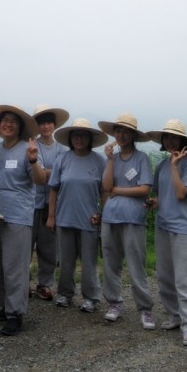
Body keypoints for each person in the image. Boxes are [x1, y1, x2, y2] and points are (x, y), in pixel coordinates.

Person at [0, 104, 47, 336]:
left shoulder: (27, 149)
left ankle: (15, 314)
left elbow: (40, 180)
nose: (8, 124)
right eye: (5, 120)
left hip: (18, 216)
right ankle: (5, 306)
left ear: (20, 127)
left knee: (15, 267)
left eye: (13, 121)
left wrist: (33, 161)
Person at [145, 119, 187, 346]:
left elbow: (180, 194)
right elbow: (163, 195)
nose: (169, 141)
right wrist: (154, 202)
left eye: (174, 137)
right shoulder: (162, 165)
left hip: (184, 228)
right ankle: (175, 316)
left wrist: (176, 166)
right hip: (163, 225)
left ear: (183, 141)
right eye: (166, 137)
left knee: (184, 278)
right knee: (165, 276)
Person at [98, 113, 155, 329]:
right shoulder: (112, 158)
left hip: (133, 218)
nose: (121, 136)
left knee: (135, 263)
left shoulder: (141, 159)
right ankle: (114, 303)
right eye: (118, 131)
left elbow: (144, 189)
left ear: (133, 135)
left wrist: (117, 190)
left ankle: (145, 308)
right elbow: (106, 186)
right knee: (111, 263)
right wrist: (110, 161)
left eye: (126, 132)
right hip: (110, 217)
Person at [47, 118, 107, 313]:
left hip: (89, 219)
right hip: (64, 218)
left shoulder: (99, 161)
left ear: (90, 139)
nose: (78, 139)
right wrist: (51, 216)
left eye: (83, 135)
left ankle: (91, 297)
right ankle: (65, 293)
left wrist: (102, 214)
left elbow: (105, 192)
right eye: (75, 135)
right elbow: (53, 189)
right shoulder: (62, 159)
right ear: (70, 138)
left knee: (89, 262)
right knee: (65, 261)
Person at [30, 104, 70, 301]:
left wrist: (46, 172)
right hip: (31, 202)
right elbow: (40, 173)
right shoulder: (31, 146)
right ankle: (22, 283)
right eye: (42, 123)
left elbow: (64, 174)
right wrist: (54, 173)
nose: (46, 126)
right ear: (37, 126)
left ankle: (44, 284)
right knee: (25, 245)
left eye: (49, 123)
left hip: (53, 205)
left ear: (54, 125)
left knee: (48, 247)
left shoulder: (62, 149)